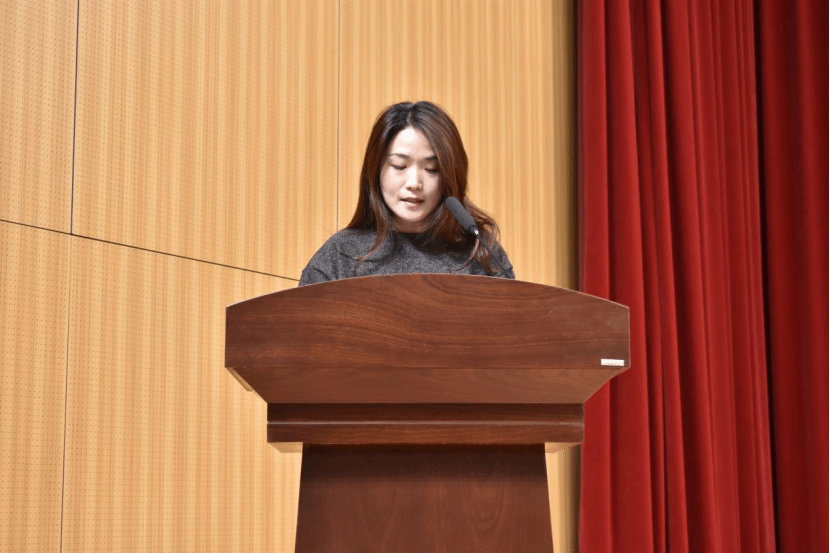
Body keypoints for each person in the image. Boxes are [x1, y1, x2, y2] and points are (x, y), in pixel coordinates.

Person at [299, 101, 514, 286]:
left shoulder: (481, 252)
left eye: (432, 169)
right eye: (399, 166)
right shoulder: (340, 254)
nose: (414, 183)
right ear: (375, 170)